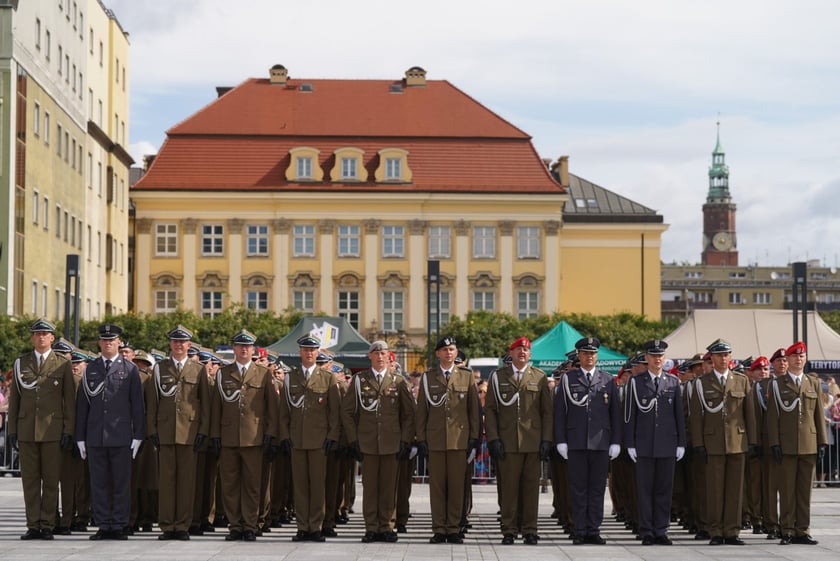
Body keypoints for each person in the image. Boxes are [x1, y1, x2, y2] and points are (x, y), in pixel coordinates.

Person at [7, 318, 76, 540]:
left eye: (45, 334)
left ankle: (47, 524)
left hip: (52, 430)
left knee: (51, 480)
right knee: (30, 481)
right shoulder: (21, 363)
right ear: (32, 338)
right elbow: (15, 400)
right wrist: (12, 430)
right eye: (37, 334)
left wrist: (68, 430)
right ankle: (33, 525)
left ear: (52, 338)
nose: (41, 337)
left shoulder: (62, 364)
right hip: (27, 429)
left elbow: (69, 401)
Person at [75, 323, 145, 540]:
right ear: (99, 343)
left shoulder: (130, 369)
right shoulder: (91, 369)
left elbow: (137, 405)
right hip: (96, 435)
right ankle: (104, 524)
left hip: (121, 435)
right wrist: (80, 437)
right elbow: (83, 405)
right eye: (104, 340)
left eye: (112, 340)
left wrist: (138, 435)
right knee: (99, 484)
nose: (108, 343)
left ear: (118, 343)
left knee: (121, 484)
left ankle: (119, 524)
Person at [341, 340, 415, 543]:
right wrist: (353, 439)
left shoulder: (398, 381)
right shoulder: (359, 380)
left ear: (388, 356)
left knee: (389, 487)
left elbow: (409, 414)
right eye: (376, 353)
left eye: (383, 354)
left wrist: (405, 440)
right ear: (370, 356)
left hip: (392, 442)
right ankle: (371, 527)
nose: (380, 357)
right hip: (368, 442)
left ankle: (388, 525)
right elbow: (347, 412)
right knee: (370, 487)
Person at [210, 329, 279, 542]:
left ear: (253, 350)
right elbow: (216, 407)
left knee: (252, 485)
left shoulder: (263, 374)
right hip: (228, 436)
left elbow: (272, 408)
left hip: (254, 437)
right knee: (230, 485)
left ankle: (250, 525)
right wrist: (215, 435)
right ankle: (235, 525)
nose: (243, 349)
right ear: (234, 349)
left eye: (247, 346)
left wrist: (271, 434)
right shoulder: (223, 373)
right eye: (240, 346)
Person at [484, 336, 552, 545]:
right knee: (509, 489)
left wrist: (546, 440)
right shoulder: (498, 377)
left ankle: (530, 529)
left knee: (531, 489)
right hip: (508, 442)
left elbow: (547, 412)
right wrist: (493, 438)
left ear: (530, 354)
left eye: (526, 350)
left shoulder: (539, 377)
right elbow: (491, 410)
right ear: (511, 353)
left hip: (532, 442)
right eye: (518, 349)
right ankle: (509, 530)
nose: (522, 353)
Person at [689, 339, 757, 546]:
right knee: (715, 490)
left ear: (730, 357)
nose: (723, 359)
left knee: (735, 490)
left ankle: (732, 531)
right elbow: (696, 416)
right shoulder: (702, 382)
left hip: (737, 441)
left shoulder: (741, 381)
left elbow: (750, 414)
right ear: (711, 358)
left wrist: (752, 440)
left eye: (726, 355)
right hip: (713, 443)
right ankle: (716, 530)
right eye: (719, 355)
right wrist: (698, 443)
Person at [554, 337, 621, 545]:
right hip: (576, 442)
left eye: (592, 353)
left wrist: (616, 441)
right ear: (579, 356)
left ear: (596, 356)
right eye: (585, 353)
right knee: (578, 489)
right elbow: (560, 413)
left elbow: (615, 414)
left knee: (597, 489)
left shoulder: (607, 379)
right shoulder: (568, 379)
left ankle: (593, 529)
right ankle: (579, 529)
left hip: (600, 442)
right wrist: (561, 440)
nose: (589, 357)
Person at [146, 325, 210, 540]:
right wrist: (152, 429)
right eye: (175, 341)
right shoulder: (160, 368)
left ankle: (182, 525)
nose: (178, 345)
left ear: (189, 345)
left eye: (182, 342)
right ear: (170, 344)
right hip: (165, 431)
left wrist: (203, 431)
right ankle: (167, 525)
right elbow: (153, 402)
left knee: (186, 482)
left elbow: (204, 404)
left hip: (189, 432)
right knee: (166, 482)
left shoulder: (198, 370)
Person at [416, 336, 480, 544]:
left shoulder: (466, 376)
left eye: (452, 349)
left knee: (456, 487)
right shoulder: (428, 378)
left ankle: (453, 528)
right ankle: (439, 529)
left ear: (456, 352)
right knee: (437, 488)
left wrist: (474, 438)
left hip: (459, 440)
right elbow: (422, 411)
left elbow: (474, 411)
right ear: (438, 354)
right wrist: (421, 438)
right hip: (435, 440)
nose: (448, 353)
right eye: (444, 350)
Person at [277, 335, 341, 543]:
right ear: (300, 352)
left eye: (312, 350)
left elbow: (334, 412)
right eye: (305, 350)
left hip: (319, 440)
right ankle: (302, 526)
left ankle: (316, 526)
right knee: (300, 486)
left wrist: (332, 436)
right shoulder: (291, 377)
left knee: (317, 486)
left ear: (317, 352)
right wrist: (285, 436)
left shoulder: (328, 378)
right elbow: (284, 411)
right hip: (297, 439)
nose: (309, 353)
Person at [624, 339, 685, 546]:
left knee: (664, 490)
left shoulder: (673, 382)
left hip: (667, 443)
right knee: (645, 490)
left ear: (664, 358)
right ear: (647, 358)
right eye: (653, 356)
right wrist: (630, 443)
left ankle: (661, 530)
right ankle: (647, 531)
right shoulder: (636, 382)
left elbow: (679, 416)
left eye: (660, 356)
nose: (657, 359)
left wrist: (681, 443)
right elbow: (630, 415)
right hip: (644, 444)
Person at [766, 341, 828, 545]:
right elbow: (772, 417)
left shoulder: (813, 383)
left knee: (804, 491)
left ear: (805, 359)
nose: (798, 359)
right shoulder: (777, 384)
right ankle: (787, 530)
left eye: (801, 356)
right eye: (794, 356)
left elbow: (819, 415)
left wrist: (822, 442)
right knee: (787, 491)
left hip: (809, 443)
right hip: (787, 445)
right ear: (788, 359)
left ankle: (803, 530)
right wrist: (774, 443)